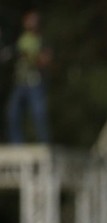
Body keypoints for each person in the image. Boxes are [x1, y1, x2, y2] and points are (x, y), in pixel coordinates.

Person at [6, 9, 52, 144]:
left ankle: (44, 144)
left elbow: (45, 60)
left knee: (39, 114)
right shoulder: (20, 39)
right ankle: (16, 145)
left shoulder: (42, 39)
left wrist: (30, 57)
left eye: (34, 20)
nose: (31, 23)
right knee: (12, 114)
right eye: (29, 20)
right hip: (20, 83)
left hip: (35, 83)